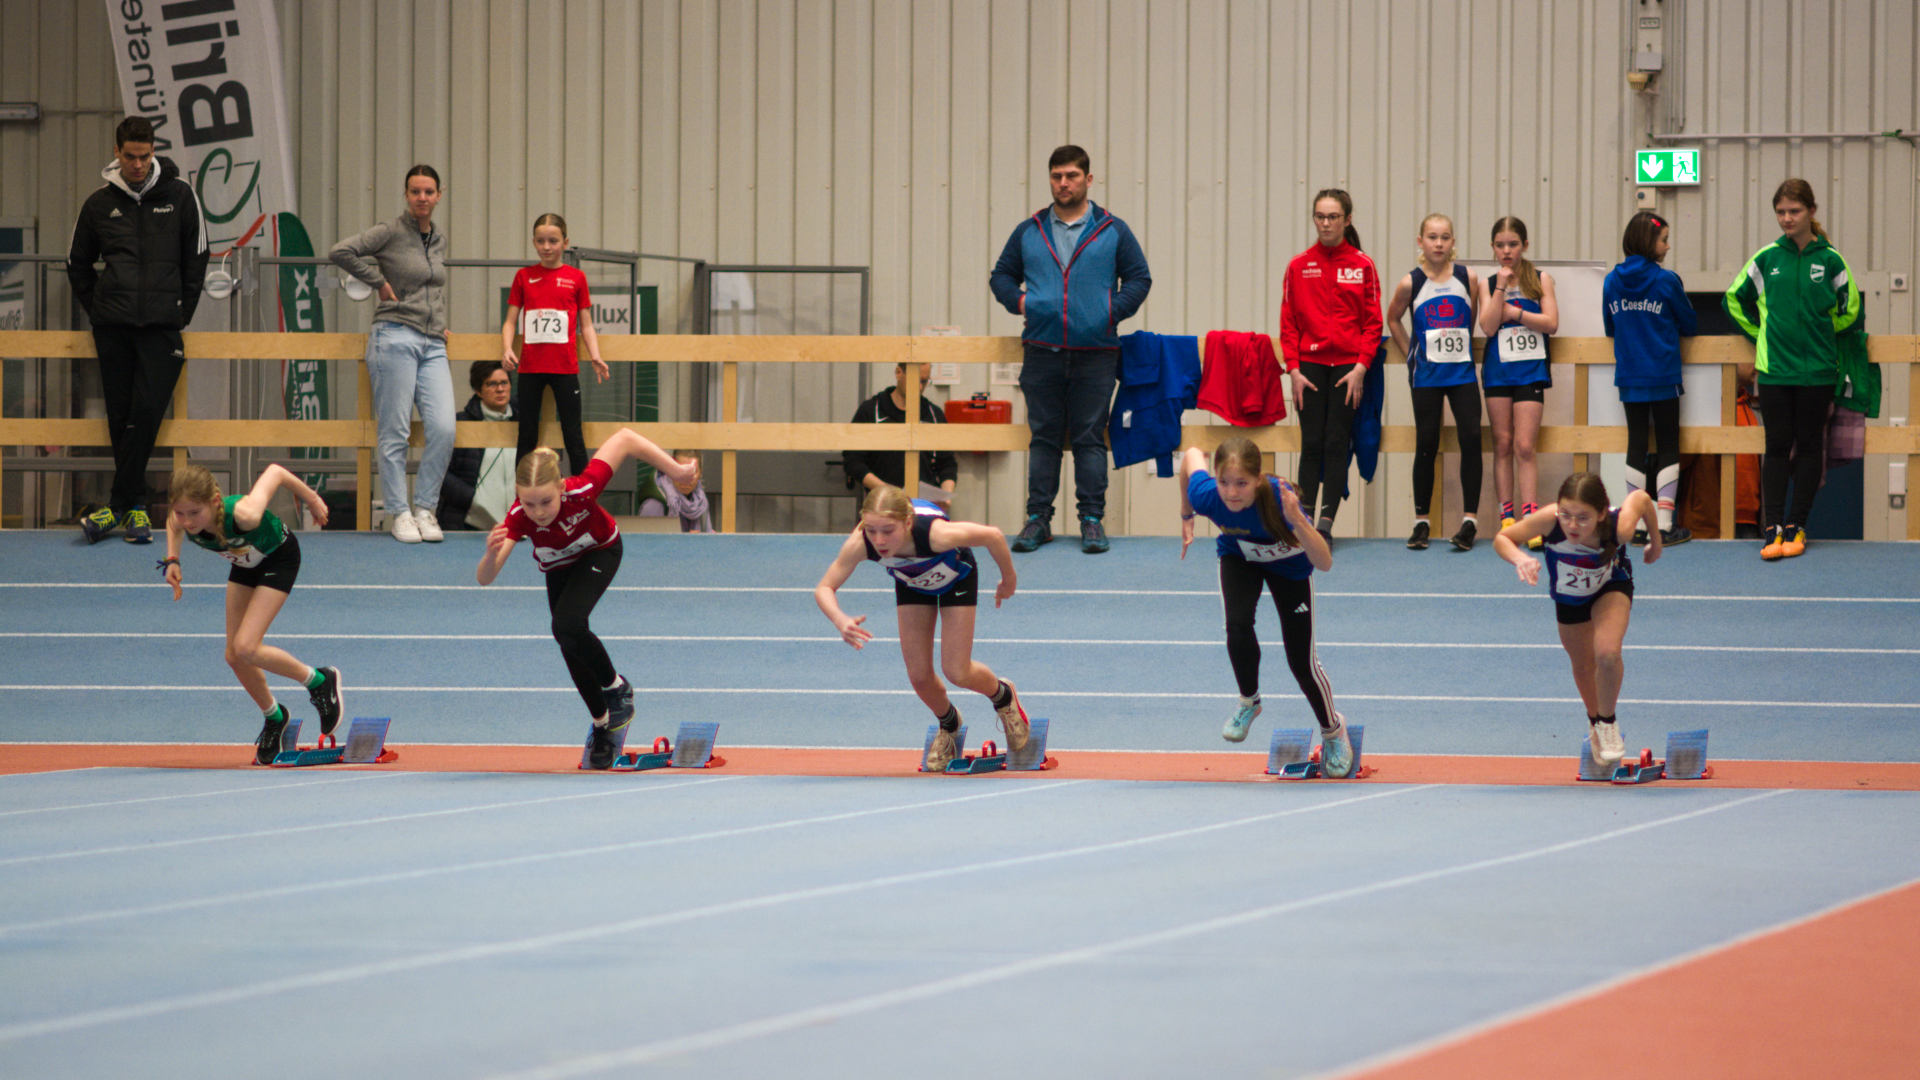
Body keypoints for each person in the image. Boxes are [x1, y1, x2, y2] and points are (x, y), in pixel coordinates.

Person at [475, 430, 696, 769]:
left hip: (600, 551)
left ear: (562, 487)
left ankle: (617, 688)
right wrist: (490, 554)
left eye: (546, 502)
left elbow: (624, 439)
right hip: (559, 566)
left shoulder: (583, 488)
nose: (539, 512)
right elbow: (485, 578)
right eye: (529, 503)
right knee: (566, 638)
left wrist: (676, 471)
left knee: (568, 623)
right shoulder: (519, 516)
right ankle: (602, 723)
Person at [990, 144, 1152, 554]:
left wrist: (1108, 312)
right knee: (1043, 437)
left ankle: (1092, 520)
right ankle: (1037, 519)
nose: (1064, 183)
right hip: (1042, 350)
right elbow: (1002, 276)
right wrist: (1023, 302)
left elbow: (1139, 278)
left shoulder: (1112, 229)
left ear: (1088, 179)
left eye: (1072, 176)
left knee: (1089, 438)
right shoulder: (1030, 230)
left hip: (1096, 352)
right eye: (1057, 176)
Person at [66, 116, 209, 545]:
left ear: (153, 151)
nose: (138, 165)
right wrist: (99, 309)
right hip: (114, 327)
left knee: (147, 413)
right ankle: (139, 512)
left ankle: (120, 505)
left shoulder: (180, 196)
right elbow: (77, 263)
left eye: (145, 156)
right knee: (120, 416)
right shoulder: (98, 204)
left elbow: (197, 257)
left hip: (163, 326)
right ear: (117, 152)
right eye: (130, 156)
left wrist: (182, 312)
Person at [814, 486, 1027, 773]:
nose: (879, 540)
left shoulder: (937, 534)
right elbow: (825, 587)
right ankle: (949, 724)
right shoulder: (861, 543)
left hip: (957, 578)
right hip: (912, 584)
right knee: (918, 676)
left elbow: (993, 536)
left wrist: (1008, 579)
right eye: (872, 530)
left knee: (957, 671)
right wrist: (841, 620)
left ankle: (1004, 697)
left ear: (908, 523)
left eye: (888, 531)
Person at [1177, 437, 1352, 776]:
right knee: (1237, 625)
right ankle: (1249, 702)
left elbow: (1325, 562)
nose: (1231, 492)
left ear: (1258, 480)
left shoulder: (1279, 502)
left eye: (1241, 483)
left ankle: (1334, 730)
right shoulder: (1208, 495)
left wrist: (1299, 522)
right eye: (1225, 482)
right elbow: (1191, 456)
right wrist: (1186, 514)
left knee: (1301, 662)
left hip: (1290, 569)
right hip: (1240, 558)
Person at [159, 464, 344, 766]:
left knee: (247, 646)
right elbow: (172, 523)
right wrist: (172, 560)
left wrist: (311, 499)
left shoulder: (243, 514)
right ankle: (275, 716)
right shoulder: (181, 517)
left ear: (215, 501)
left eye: (195, 513)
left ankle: (319, 680)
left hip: (279, 559)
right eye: (182, 513)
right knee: (233, 655)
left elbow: (275, 472)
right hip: (245, 564)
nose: (188, 522)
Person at [1724, 179, 1862, 560]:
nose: (1787, 218)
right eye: (1781, 212)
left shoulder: (1831, 260)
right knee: (1777, 446)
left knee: (1810, 446)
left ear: (1811, 212)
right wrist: (1761, 334)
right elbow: (1734, 299)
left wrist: (1821, 335)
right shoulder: (1768, 258)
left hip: (1818, 371)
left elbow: (1850, 310)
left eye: (1794, 211)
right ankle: (1772, 527)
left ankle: (1797, 525)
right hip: (1775, 372)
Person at [1492, 472, 1661, 768]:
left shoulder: (1618, 527)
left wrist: (1656, 542)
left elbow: (1643, 499)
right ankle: (1595, 721)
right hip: (1569, 598)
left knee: (1607, 653)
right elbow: (1503, 538)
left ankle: (1608, 724)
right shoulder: (1548, 520)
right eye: (1566, 515)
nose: (1572, 525)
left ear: (1599, 515)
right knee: (1583, 666)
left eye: (1582, 518)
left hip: (1611, 586)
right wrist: (1521, 559)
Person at [329, 164, 456, 545]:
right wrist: (379, 283)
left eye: (429, 192)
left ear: (439, 194)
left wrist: (439, 320)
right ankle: (399, 512)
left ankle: (425, 509)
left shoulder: (439, 238)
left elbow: (430, 286)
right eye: (415, 191)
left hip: (432, 342)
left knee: (444, 428)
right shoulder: (389, 231)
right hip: (394, 335)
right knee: (394, 430)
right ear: (406, 195)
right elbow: (341, 251)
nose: (422, 198)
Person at [1279, 189, 1383, 546]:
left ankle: (1325, 524)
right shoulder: (1298, 265)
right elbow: (1288, 323)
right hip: (1308, 367)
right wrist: (1293, 369)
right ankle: (1303, 521)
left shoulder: (1362, 265)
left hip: (1347, 369)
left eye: (1333, 217)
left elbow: (1373, 324)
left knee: (1338, 443)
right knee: (1311, 444)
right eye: (1320, 217)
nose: (1325, 223)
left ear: (1347, 220)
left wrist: (1361, 367)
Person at [1385, 213, 1484, 551]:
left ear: (1453, 242)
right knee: (1426, 442)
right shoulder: (1410, 283)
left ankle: (1469, 520)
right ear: (1420, 242)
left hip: (1462, 374)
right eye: (1432, 237)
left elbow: (1469, 319)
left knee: (1470, 437)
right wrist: (1409, 352)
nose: (1438, 243)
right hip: (1426, 375)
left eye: (1444, 237)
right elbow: (1393, 318)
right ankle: (1421, 522)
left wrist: (1463, 345)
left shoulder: (1467, 277)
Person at [1604, 211, 1699, 546]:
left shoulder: (1612, 280)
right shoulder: (1665, 281)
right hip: (1662, 373)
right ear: (1649, 242)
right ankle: (1666, 523)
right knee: (1669, 443)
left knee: (1636, 444)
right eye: (1664, 239)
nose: (1668, 246)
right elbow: (1690, 323)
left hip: (1630, 375)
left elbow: (1609, 327)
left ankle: (1637, 525)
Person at [503, 213, 608, 476]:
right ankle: (522, 496)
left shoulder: (576, 278)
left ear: (565, 242)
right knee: (526, 434)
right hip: (530, 370)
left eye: (553, 241)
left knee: (573, 434)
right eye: (541, 241)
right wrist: (507, 348)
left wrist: (595, 355)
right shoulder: (524, 276)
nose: (546, 247)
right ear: (533, 242)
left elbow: (586, 324)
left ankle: (585, 495)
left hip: (565, 369)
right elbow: (510, 321)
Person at [1477, 216, 1558, 547]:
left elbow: (1551, 322)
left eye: (1513, 244)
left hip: (1530, 372)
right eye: (1500, 245)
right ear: (1493, 248)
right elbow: (1487, 326)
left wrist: (1518, 314)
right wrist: (1499, 288)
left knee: (1526, 446)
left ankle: (1531, 518)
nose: (1507, 251)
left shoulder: (1541, 280)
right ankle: (1507, 518)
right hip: (1498, 372)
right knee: (1503, 443)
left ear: (1525, 245)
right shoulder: (1486, 283)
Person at [843, 362, 957, 504]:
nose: (920, 387)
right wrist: (887, 491)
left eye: (924, 381)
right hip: (883, 505)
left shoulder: (934, 415)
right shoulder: (871, 411)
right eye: (915, 381)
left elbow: (947, 463)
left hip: (923, 505)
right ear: (898, 373)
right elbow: (853, 461)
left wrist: (945, 496)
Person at [436, 361, 518, 532]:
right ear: (478, 390)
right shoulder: (460, 423)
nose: (500, 389)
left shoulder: (524, 423)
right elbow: (438, 472)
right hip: (467, 526)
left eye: (504, 382)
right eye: (491, 384)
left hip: (516, 528)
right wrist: (475, 501)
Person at [643, 449, 714, 533]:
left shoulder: (701, 502)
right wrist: (688, 540)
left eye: (693, 471)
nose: (687, 479)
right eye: (681, 471)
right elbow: (645, 543)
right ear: (671, 471)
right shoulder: (655, 504)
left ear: (700, 473)